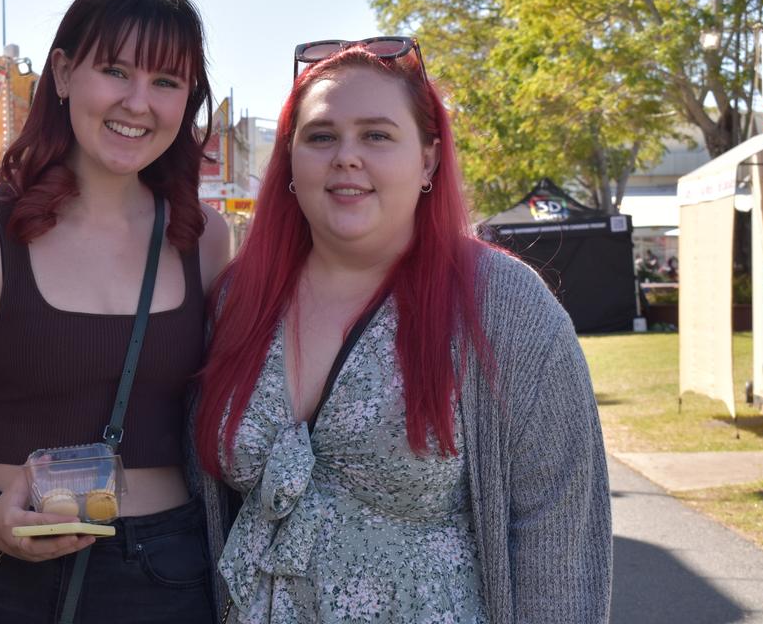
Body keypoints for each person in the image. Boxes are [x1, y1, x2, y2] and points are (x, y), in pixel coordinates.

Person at [195, 40, 611, 623]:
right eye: (320, 136)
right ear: (290, 160)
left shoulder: (502, 304)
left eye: (377, 135)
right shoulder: (239, 299)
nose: (345, 157)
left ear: (429, 161)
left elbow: (558, 527)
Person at [0, 0, 231, 623]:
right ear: (65, 74)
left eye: (166, 81)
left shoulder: (207, 240)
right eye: (115, 70)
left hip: (162, 578)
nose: (137, 102)